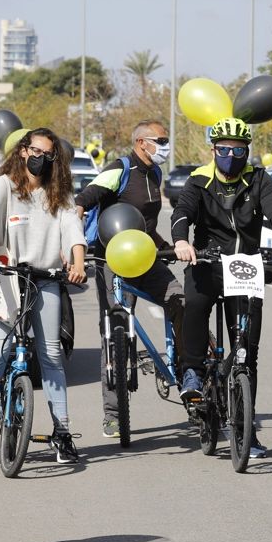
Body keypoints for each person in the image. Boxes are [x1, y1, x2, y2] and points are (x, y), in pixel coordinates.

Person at [171, 117, 272, 458]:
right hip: (208, 263)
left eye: (238, 150)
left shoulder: (258, 179)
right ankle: (194, 373)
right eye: (224, 149)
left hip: (246, 265)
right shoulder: (198, 180)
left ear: (247, 151)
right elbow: (182, 213)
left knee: (247, 352)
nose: (231, 155)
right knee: (194, 305)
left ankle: (246, 431)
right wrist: (182, 241)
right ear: (213, 150)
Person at [0, 128, 87, 467]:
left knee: (50, 354)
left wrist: (77, 262)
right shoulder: (5, 184)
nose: (41, 158)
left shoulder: (58, 192)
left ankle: (62, 433)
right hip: (5, 276)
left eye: (48, 155)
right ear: (22, 151)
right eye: (35, 151)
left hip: (45, 278)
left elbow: (71, 229)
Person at [74, 120, 184, 439]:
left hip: (146, 256)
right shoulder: (120, 168)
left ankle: (187, 373)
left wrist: (171, 247)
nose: (165, 145)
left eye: (166, 139)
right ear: (141, 143)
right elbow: (86, 197)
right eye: (160, 140)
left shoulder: (155, 173)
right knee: (115, 329)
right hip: (112, 259)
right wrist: (73, 230)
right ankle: (112, 414)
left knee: (180, 301)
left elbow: (147, 225)